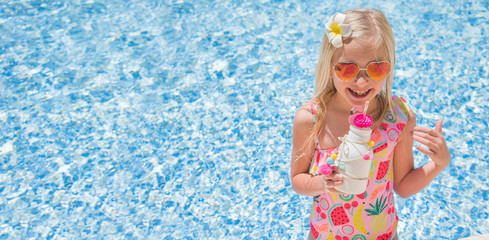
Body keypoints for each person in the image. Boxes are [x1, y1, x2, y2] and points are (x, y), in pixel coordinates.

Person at [290, 9, 451, 240]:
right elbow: (298, 180)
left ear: (389, 68)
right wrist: (321, 183)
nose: (362, 81)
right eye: (347, 69)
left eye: (376, 68)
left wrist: (439, 164)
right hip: (328, 234)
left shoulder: (398, 118)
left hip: (381, 234)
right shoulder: (312, 119)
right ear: (329, 66)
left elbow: (403, 186)